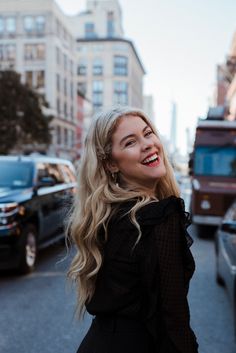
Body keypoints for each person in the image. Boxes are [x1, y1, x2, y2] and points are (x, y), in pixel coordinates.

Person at [67, 106, 199, 353]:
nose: (148, 144)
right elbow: (174, 320)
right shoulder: (159, 217)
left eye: (148, 133)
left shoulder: (105, 214)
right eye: (130, 142)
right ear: (110, 164)